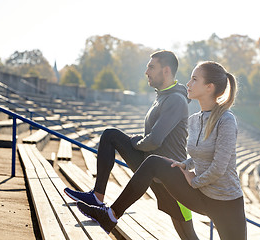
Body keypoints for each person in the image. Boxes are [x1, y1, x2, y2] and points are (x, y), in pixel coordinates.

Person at [77, 61, 247, 240]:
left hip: (226, 203)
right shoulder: (195, 119)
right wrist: (185, 164)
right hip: (201, 195)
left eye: (194, 79)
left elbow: (219, 167)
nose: (188, 84)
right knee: (154, 163)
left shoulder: (226, 120)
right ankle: (110, 216)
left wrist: (194, 180)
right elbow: (198, 155)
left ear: (209, 87)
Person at [64, 50, 199, 239]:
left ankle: (109, 215)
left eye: (151, 67)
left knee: (187, 235)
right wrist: (137, 142)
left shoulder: (176, 100)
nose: (147, 72)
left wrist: (136, 142)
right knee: (110, 135)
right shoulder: (163, 96)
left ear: (166, 71)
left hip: (172, 177)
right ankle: (98, 196)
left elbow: (154, 140)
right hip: (150, 167)